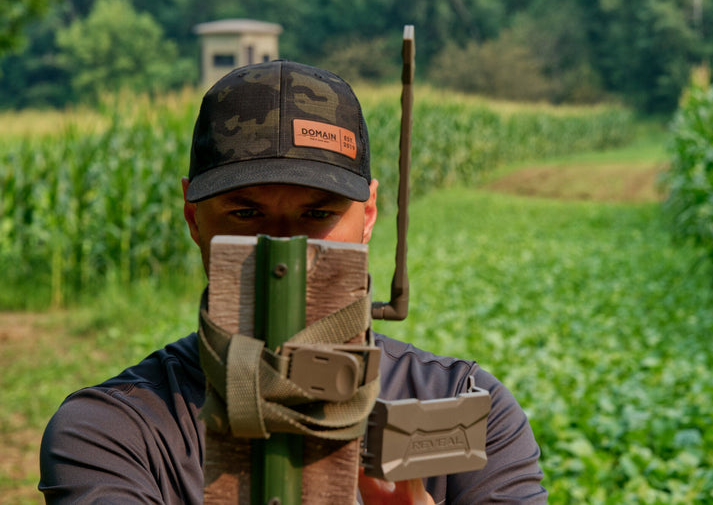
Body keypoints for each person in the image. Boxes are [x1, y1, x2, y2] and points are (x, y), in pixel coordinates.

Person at [39, 60, 547, 504]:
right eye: (244, 212)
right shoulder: (116, 430)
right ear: (194, 219)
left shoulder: (460, 407)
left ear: (368, 213)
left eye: (317, 213)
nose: (284, 247)